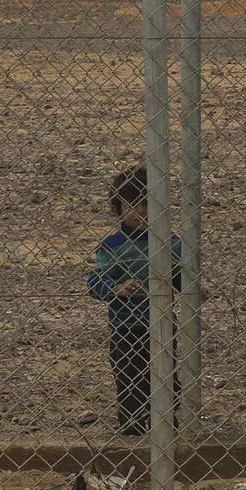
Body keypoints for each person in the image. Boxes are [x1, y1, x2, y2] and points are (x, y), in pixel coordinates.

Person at [86, 165, 182, 435]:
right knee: (129, 378)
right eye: (133, 205)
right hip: (126, 327)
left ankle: (165, 428)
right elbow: (95, 282)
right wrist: (115, 288)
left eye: (148, 203)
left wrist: (192, 288)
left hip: (163, 322)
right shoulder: (113, 246)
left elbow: (180, 276)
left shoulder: (171, 243)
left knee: (165, 376)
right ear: (117, 210)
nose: (142, 211)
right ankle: (133, 433)